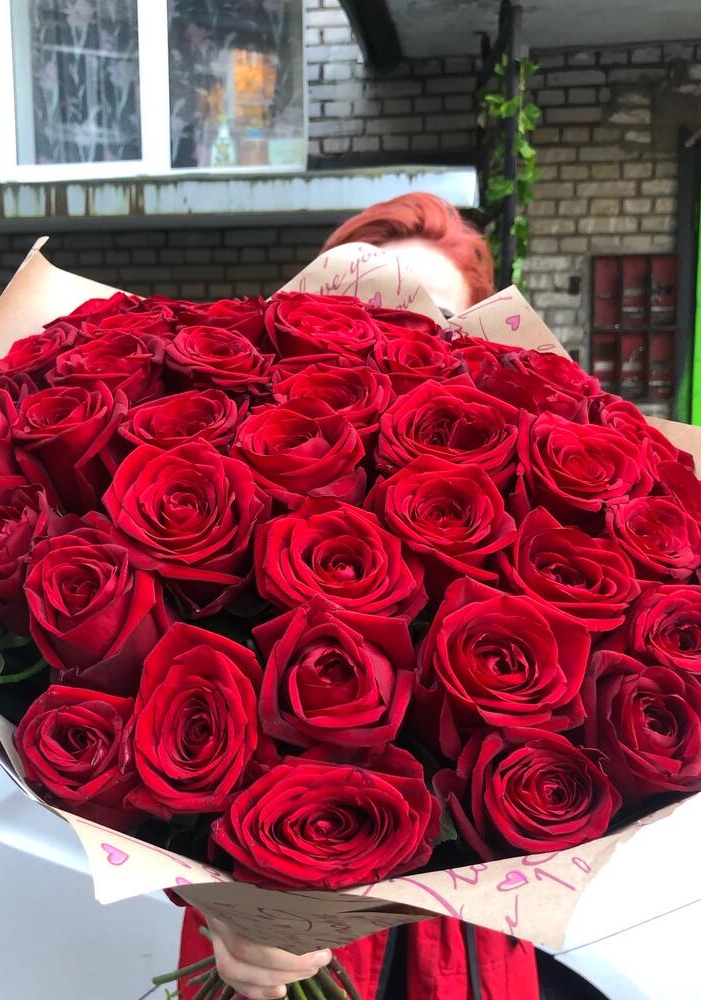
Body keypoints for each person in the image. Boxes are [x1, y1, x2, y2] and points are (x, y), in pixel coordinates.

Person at [175, 193, 540, 1000]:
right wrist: (229, 903)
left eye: (434, 316)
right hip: (264, 945)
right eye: (371, 309)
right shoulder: (246, 468)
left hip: (464, 951)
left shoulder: (514, 504)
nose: (398, 337)